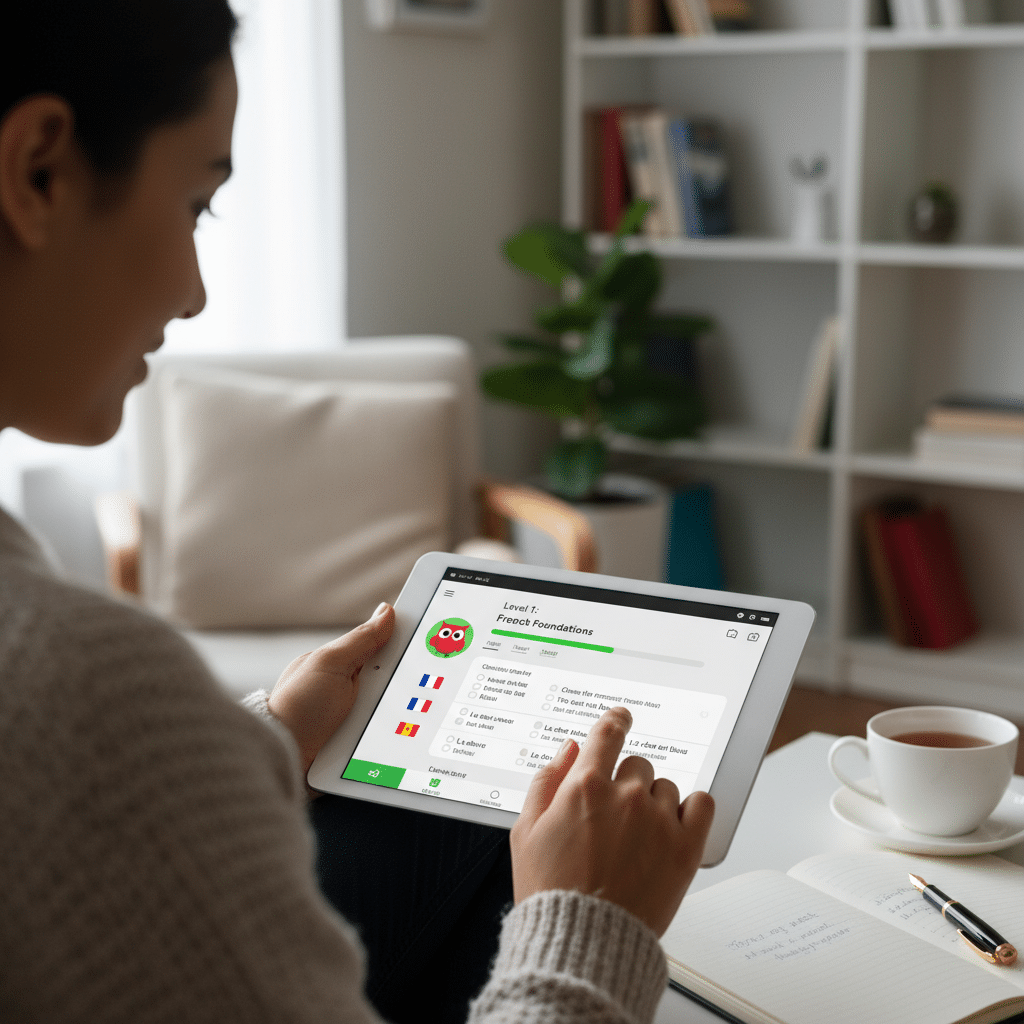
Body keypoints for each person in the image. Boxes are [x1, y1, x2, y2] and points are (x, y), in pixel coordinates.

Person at [0, 3, 715, 1022]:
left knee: (471, 795)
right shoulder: (87, 689)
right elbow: (88, 768)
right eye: (195, 206)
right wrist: (589, 922)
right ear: (38, 171)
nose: (198, 293)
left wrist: (267, 733)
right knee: (526, 846)